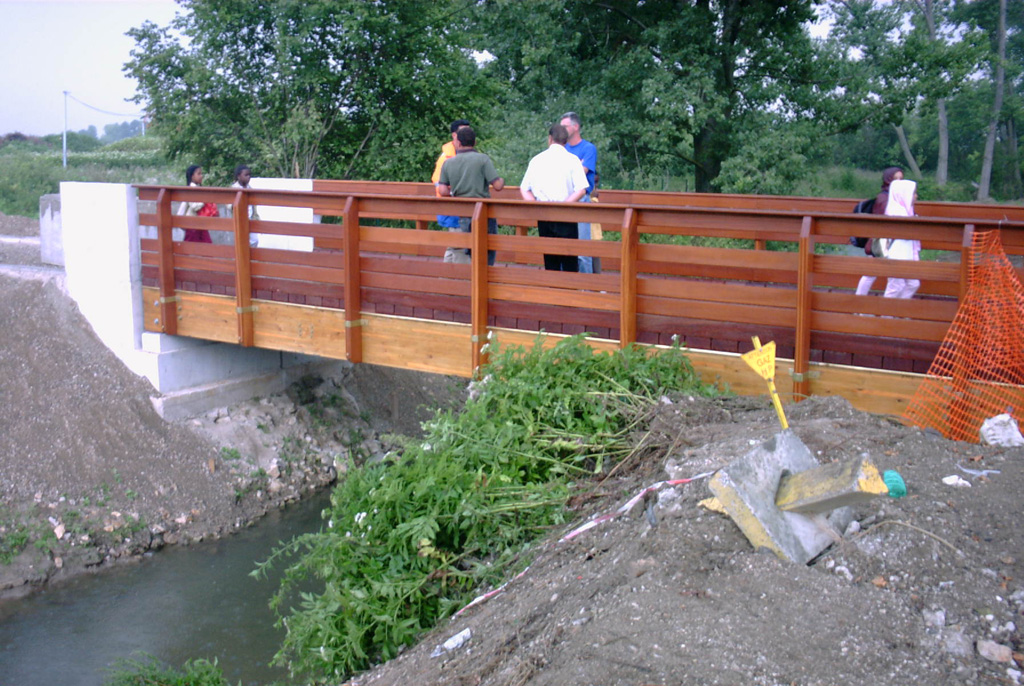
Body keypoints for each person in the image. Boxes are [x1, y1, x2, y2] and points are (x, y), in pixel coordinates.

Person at [520, 124, 590, 272]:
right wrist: (565, 204)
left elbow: (524, 188)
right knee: (570, 259)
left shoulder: (537, 160)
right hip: (566, 214)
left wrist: (535, 205)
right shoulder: (573, 160)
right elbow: (582, 190)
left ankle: (552, 291)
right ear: (565, 141)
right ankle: (569, 292)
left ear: (550, 139)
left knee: (550, 260)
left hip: (544, 213)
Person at [437, 126, 505, 266]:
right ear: (474, 143)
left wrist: (454, 190)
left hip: (460, 214)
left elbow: (442, 190)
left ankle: (461, 283)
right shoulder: (482, 159)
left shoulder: (448, 163)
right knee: (486, 252)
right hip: (482, 213)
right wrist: (502, 180)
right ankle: (485, 283)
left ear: (459, 143)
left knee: (461, 253)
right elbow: (497, 186)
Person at [560, 112, 599, 273]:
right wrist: (576, 167)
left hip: (582, 200)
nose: (561, 130)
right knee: (564, 248)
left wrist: (572, 169)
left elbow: (582, 172)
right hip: (563, 199)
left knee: (583, 249)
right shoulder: (561, 149)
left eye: (564, 127)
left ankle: (587, 288)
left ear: (575, 127)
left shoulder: (588, 148)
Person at [855, 166, 903, 295]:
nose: (898, 182)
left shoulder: (896, 196)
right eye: (895, 178)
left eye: (900, 179)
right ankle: (858, 302)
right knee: (871, 273)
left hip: (891, 240)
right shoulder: (883, 197)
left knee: (892, 276)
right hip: (880, 240)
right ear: (888, 180)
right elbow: (883, 220)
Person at [431, 119, 471, 263]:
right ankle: (462, 280)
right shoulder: (447, 157)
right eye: (463, 131)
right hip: (451, 205)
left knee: (453, 245)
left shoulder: (461, 153)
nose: (467, 134)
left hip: (458, 205)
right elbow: (437, 182)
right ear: (454, 135)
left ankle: (446, 277)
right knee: (460, 245)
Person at [881, 178, 920, 299]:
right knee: (896, 286)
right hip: (896, 253)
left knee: (913, 283)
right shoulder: (896, 211)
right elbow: (907, 231)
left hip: (906, 253)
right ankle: (886, 315)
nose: (916, 196)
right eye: (913, 193)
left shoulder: (907, 210)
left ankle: (898, 311)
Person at [177, 164, 215, 243]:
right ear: (192, 176)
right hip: (192, 224)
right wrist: (204, 200)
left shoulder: (196, 188)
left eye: (201, 173)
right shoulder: (191, 189)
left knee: (204, 246)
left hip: (198, 223)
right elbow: (195, 206)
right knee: (197, 247)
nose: (201, 176)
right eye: (199, 174)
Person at [230, 164, 261, 248]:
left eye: (249, 175)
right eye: (246, 175)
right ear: (239, 176)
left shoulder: (250, 189)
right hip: (239, 220)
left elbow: (254, 206)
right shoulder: (233, 189)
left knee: (254, 240)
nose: (248, 177)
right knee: (241, 242)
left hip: (251, 218)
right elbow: (229, 206)